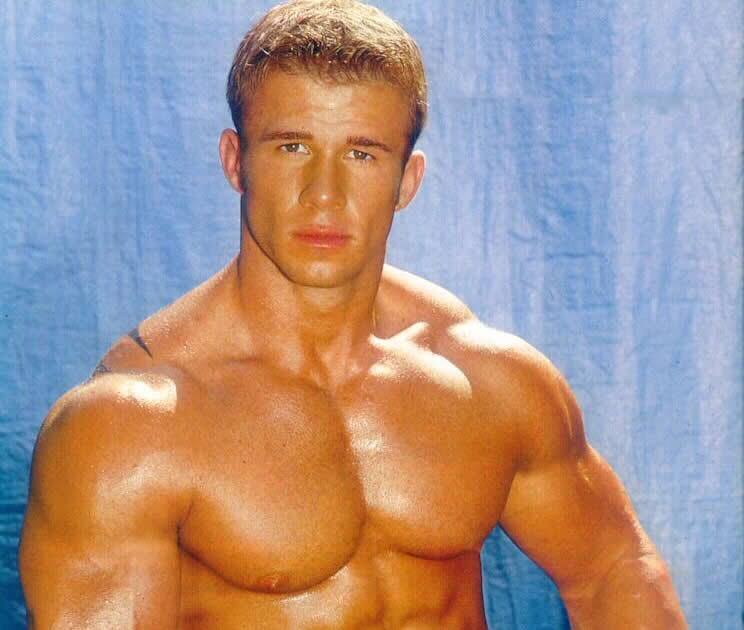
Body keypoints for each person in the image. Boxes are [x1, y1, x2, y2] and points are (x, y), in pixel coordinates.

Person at [18, 0, 687, 627]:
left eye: (361, 154)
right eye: (292, 147)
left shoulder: (487, 381)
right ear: (234, 161)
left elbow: (612, 568)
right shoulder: (127, 429)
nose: (325, 195)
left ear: (407, 181)